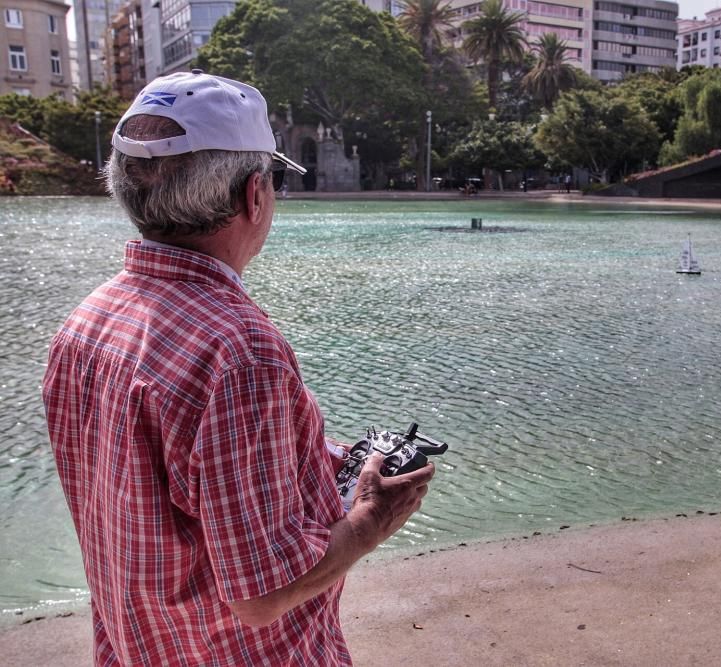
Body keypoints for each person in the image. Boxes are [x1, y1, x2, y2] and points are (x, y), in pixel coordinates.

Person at [41, 70, 435, 665]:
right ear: (254, 194)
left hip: (137, 648)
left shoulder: (86, 324)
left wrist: (313, 455)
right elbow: (262, 595)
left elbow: (170, 477)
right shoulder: (239, 350)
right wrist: (371, 520)